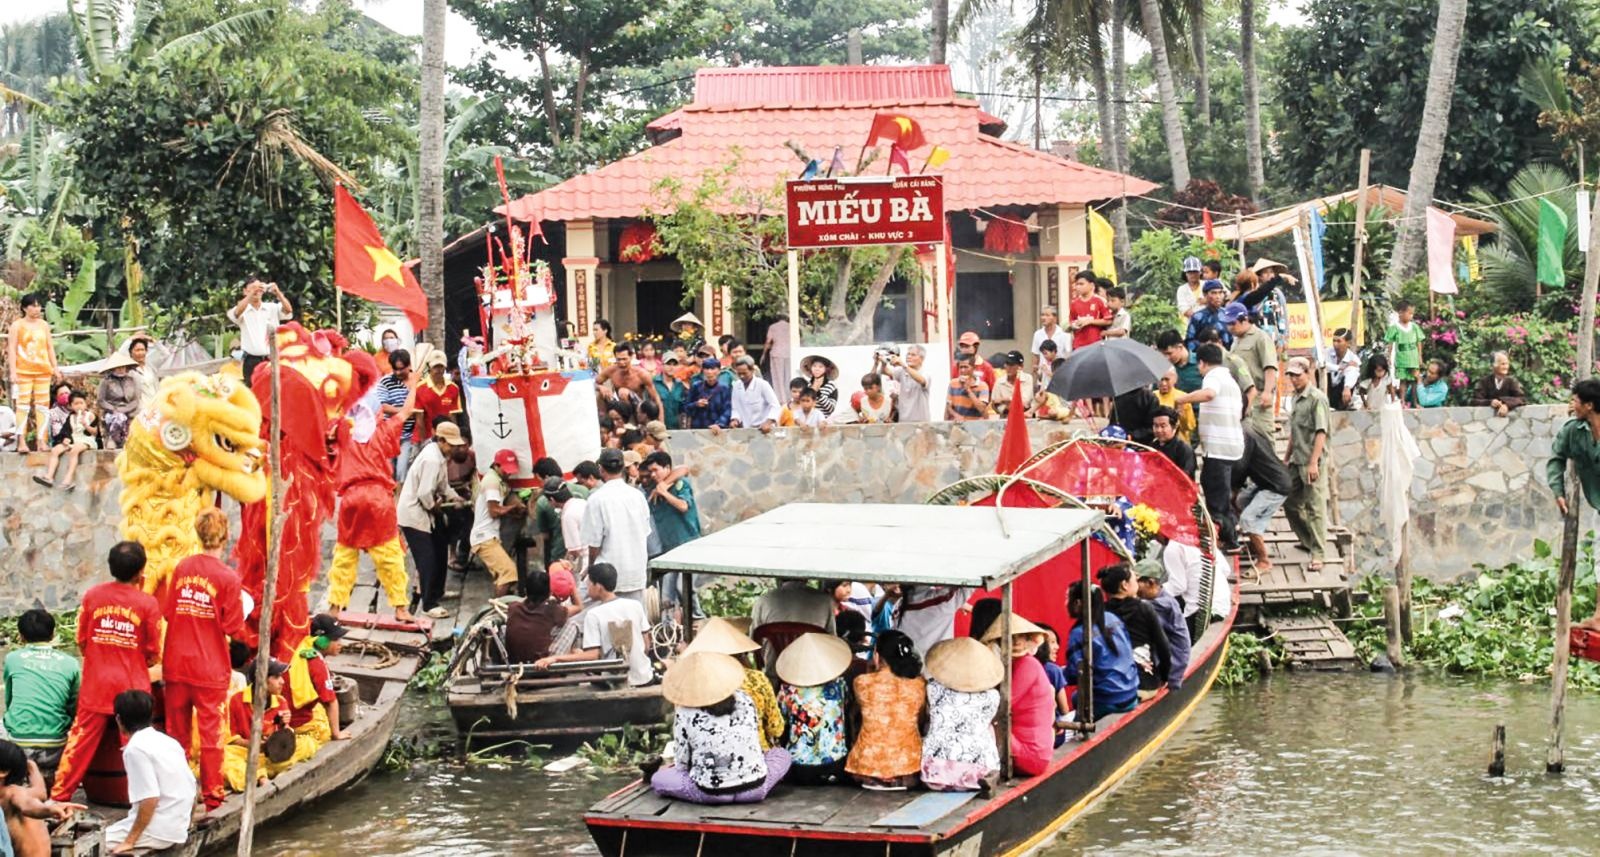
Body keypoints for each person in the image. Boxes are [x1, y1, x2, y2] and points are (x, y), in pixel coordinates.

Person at [50, 543, 162, 803]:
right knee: (138, 746)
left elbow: (82, 641)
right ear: (141, 572)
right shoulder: (147, 603)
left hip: (96, 685)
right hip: (132, 689)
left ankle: (58, 797)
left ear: (110, 567)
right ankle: (143, 800)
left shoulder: (92, 596)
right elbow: (152, 652)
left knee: (79, 744)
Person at [161, 507, 246, 811]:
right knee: (212, 737)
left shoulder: (183, 568)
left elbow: (169, 612)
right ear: (226, 536)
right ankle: (212, 797)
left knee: (177, 735)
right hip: (209, 668)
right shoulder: (228, 577)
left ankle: (179, 797)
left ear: (198, 533)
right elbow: (233, 626)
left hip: (176, 662)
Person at [326, 381, 419, 622]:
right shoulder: (382, 430)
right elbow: (407, 411)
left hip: (351, 498)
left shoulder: (342, 434)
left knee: (345, 555)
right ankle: (400, 607)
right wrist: (415, 381)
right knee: (390, 555)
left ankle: (335, 606)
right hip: (379, 499)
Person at [649, 652, 791, 804]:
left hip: (709, 792)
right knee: (783, 754)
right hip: (755, 789)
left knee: (657, 779)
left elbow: (682, 763)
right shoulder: (744, 699)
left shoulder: (685, 711)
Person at [104, 690, 195, 855]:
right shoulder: (169, 741)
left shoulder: (135, 749)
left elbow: (150, 798)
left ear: (119, 720)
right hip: (178, 825)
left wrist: (129, 841)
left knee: (94, 841)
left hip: (160, 830)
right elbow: (192, 784)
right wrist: (187, 822)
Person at [534, 563, 653, 686]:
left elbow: (592, 655)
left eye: (589, 583)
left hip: (616, 681)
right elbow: (646, 645)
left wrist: (556, 658)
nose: (587, 587)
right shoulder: (635, 605)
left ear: (599, 587)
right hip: (644, 676)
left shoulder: (594, 614)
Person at [397, 420, 470, 618]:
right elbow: (424, 493)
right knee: (427, 558)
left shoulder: (441, 457)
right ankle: (429, 603)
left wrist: (456, 497)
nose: (455, 449)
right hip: (415, 514)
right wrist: (436, 509)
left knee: (440, 550)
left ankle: (438, 593)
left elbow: (443, 485)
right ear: (441, 441)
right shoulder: (431, 459)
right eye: (452, 445)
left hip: (427, 512)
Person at [1176, 343, 1245, 550]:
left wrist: (1183, 399)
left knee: (1215, 498)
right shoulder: (1230, 380)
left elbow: (1209, 394)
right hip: (1233, 447)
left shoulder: (1213, 377)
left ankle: (1227, 540)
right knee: (1222, 495)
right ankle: (1230, 535)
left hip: (1218, 448)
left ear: (1203, 363)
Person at [2, 610, 79, 787]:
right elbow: (74, 706)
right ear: (53, 634)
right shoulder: (71, 663)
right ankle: (50, 777)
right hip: (56, 745)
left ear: (20, 637)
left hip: (19, 746)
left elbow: (10, 701)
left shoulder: (13, 659)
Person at [683, 618, 785, 750]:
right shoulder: (757, 680)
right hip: (757, 757)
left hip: (709, 760)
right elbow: (776, 729)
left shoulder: (694, 685)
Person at [844, 630, 925, 789]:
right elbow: (921, 721)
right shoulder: (919, 684)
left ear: (876, 655)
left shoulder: (862, 683)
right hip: (909, 770)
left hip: (867, 771)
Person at [920, 637, 1002, 792]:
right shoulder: (992, 696)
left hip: (934, 773)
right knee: (988, 728)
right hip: (978, 773)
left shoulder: (934, 689)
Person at [979, 613, 1053, 776]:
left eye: (1021, 637)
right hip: (1023, 746)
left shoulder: (1028, 664)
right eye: (1011, 637)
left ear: (1029, 640)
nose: (1017, 642)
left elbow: (1002, 705)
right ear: (1000, 641)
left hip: (1031, 754)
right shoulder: (1013, 665)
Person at [773, 633, 853, 785]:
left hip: (800, 767)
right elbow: (846, 706)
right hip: (835, 764)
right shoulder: (839, 685)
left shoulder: (788, 690)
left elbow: (780, 721)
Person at [1552, 379, 1600, 630]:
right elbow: (1557, 458)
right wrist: (1558, 490)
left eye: (1575, 401)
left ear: (1589, 405)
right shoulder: (1574, 430)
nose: (1571, 405)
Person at [581, 448, 653, 601]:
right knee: (634, 620)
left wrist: (590, 567)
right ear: (622, 468)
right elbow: (645, 533)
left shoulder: (596, 499)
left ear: (600, 469)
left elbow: (594, 544)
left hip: (607, 576)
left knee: (608, 620)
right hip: (636, 571)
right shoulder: (637, 496)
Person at [1284, 357, 1332, 572]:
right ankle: (1307, 540)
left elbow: (1321, 432)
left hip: (1312, 461)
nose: (1294, 379)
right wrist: (1286, 457)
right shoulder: (1295, 399)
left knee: (1315, 507)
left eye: (1297, 375)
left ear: (1307, 373)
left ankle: (1318, 553)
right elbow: (1295, 433)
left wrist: (1314, 462)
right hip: (1297, 460)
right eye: (1291, 375)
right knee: (1290, 501)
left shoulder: (1316, 399)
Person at [1064, 586, 1139, 720]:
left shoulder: (1079, 633)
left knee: (1076, 699)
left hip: (1110, 698)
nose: (1066, 603)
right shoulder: (1112, 618)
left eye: (1067, 598)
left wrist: (1056, 674)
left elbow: (1075, 674)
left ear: (1078, 603)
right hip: (1131, 689)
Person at [0, 738, 84, 857]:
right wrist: (32, 767)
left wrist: (49, 810)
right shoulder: (21, 791)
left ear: (3, 772)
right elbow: (41, 793)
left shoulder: (12, 793)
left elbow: (29, 806)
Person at [1097, 564, 1173, 693]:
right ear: (1124, 585)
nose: (1137, 580)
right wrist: (1165, 677)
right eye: (1134, 578)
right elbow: (1163, 648)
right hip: (1143, 683)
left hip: (1110, 684)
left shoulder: (1100, 612)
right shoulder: (1144, 609)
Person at [1233, 423, 1293, 575]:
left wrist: (1234, 486)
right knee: (1240, 501)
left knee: (1247, 519)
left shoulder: (1245, 434)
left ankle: (1263, 560)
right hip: (1265, 482)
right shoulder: (1249, 428)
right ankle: (1253, 541)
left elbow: (1240, 466)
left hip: (1276, 486)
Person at [287, 614, 351, 747]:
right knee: (324, 731)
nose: (340, 643)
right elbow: (331, 702)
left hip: (289, 710)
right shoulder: (316, 663)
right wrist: (336, 733)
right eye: (335, 639)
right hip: (298, 720)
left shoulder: (303, 646)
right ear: (321, 641)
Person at [469, 449, 526, 598]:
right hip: (484, 537)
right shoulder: (492, 482)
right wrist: (513, 508)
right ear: (496, 465)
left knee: (502, 576)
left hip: (490, 535)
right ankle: (497, 607)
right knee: (508, 572)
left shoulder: (499, 481)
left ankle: (501, 603)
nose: (508, 474)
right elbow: (494, 511)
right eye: (506, 470)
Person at [9, 294, 56, 455]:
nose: (37, 309)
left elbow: (50, 347)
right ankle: (21, 441)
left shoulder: (44, 325)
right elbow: (12, 350)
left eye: (38, 305)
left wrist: (55, 367)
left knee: (43, 406)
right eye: (33, 306)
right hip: (23, 371)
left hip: (43, 370)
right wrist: (13, 372)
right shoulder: (17, 326)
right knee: (22, 406)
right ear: (24, 308)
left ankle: (41, 440)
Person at [1224, 301, 1279, 438]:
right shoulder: (1235, 341)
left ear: (1244, 319)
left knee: (1263, 437)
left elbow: (1270, 366)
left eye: (1233, 323)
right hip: (1241, 397)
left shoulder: (1260, 337)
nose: (1230, 327)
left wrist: (1267, 392)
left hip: (1259, 396)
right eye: (1228, 324)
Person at [751, 580, 836, 664]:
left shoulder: (763, 601)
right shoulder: (826, 601)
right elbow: (831, 642)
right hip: (812, 673)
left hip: (773, 673)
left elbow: (752, 643)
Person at [226, 276, 293, 383]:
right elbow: (236, 313)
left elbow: (288, 310)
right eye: (252, 288)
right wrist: (251, 294)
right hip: (251, 361)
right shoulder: (242, 309)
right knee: (254, 392)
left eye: (258, 288)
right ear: (245, 291)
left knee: (274, 391)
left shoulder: (272, 307)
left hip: (272, 358)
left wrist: (278, 293)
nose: (257, 291)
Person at [1135, 560, 1190, 689]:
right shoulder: (1160, 599)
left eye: (1137, 584)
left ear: (1151, 583)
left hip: (1172, 670)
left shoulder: (1162, 604)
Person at [33, 390, 94, 490]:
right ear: (71, 406)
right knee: (55, 450)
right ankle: (49, 477)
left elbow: (95, 432)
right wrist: (66, 438)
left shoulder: (90, 416)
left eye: (81, 403)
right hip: (74, 440)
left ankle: (68, 480)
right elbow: (66, 430)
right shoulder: (70, 417)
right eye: (76, 404)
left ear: (85, 404)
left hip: (86, 440)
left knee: (74, 451)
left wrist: (86, 425)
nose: (79, 406)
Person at [597, 342, 664, 418]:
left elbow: (656, 398)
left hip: (638, 409)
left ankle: (631, 422)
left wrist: (661, 422)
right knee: (601, 393)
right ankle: (604, 420)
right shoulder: (611, 370)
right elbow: (594, 382)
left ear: (631, 357)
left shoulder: (642, 374)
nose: (622, 363)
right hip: (618, 406)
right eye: (618, 359)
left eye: (624, 359)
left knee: (623, 392)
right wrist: (600, 387)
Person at [413, 350, 463, 451]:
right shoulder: (420, 388)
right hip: (425, 436)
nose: (438, 370)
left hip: (445, 438)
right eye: (435, 367)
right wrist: (424, 443)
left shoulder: (453, 388)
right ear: (429, 367)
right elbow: (419, 419)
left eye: (441, 367)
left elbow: (453, 417)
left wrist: (454, 438)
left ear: (445, 367)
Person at [97, 353, 141, 450]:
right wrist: (114, 409)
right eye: (118, 367)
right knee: (117, 419)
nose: (121, 369)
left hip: (130, 411)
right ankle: (112, 439)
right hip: (112, 413)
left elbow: (136, 400)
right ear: (113, 368)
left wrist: (125, 410)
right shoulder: (106, 382)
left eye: (123, 367)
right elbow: (101, 401)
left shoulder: (132, 380)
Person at [879, 345, 931, 423]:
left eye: (913, 355)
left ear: (921, 359)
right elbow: (885, 371)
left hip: (921, 420)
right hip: (904, 420)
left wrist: (904, 365)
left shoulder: (925, 373)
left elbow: (921, 380)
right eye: (908, 354)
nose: (909, 357)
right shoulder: (902, 371)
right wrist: (884, 362)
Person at [1385, 299, 1424, 401]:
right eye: (1409, 313)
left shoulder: (1414, 327)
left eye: (1412, 314)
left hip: (1413, 356)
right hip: (1401, 357)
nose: (1411, 316)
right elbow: (1391, 343)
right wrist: (1389, 357)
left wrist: (1420, 356)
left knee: (1414, 379)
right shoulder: (1394, 328)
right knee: (1403, 380)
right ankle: (1402, 401)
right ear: (1400, 312)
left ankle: (1415, 401)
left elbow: (1419, 341)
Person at [729, 356, 780, 432]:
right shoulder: (736, 386)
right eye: (739, 374)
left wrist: (768, 422)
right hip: (746, 429)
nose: (742, 376)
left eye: (744, 373)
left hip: (764, 430)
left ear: (752, 370)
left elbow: (775, 406)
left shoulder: (763, 384)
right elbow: (735, 408)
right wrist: (735, 420)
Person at [1468, 351, 1527, 416]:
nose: (1506, 367)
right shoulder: (1484, 381)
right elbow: (1474, 401)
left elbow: (1522, 399)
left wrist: (1507, 405)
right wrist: (1490, 402)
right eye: (1503, 364)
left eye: (1507, 364)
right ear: (1494, 365)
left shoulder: (1511, 381)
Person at [1067, 270, 1111, 351]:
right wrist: (1074, 324)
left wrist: (1090, 321)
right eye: (1076, 284)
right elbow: (1071, 321)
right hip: (1078, 345)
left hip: (1096, 344)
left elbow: (1108, 320)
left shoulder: (1100, 301)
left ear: (1091, 285)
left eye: (1081, 284)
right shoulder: (1074, 303)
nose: (1078, 287)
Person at [1185, 280, 1232, 352]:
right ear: (1205, 295)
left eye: (1220, 293)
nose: (1218, 296)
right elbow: (1189, 342)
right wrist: (1208, 346)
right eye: (1213, 293)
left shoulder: (1228, 314)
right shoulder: (1198, 317)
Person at [684, 358, 731, 429]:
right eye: (707, 369)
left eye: (713, 369)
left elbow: (728, 410)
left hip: (718, 429)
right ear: (703, 371)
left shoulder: (724, 388)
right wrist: (696, 404)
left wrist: (719, 424)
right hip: (698, 429)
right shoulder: (696, 386)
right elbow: (686, 407)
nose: (709, 372)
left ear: (719, 371)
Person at [1150, 406, 1195, 478]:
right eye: (1156, 426)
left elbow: (1185, 476)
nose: (1158, 430)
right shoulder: (1152, 446)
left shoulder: (1183, 449)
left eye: (1163, 426)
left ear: (1174, 427)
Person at [945, 353, 991, 421]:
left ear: (974, 368)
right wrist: (956, 415)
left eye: (966, 367)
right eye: (961, 367)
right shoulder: (953, 383)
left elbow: (982, 408)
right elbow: (948, 406)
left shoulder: (982, 386)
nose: (963, 370)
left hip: (974, 425)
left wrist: (968, 390)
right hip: (957, 424)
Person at [1153, 368, 1196, 441]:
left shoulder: (1183, 397)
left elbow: (1190, 427)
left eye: (1167, 379)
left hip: (1179, 443)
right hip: (1156, 442)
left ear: (1175, 379)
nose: (1164, 383)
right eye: (1161, 379)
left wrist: (1182, 415)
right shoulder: (1151, 396)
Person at [1325, 328, 1361, 410]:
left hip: (1342, 392)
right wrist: (1339, 368)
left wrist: (1347, 387)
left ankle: (1343, 405)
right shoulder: (1328, 352)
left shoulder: (1353, 359)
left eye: (1338, 341)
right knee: (1320, 370)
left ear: (1348, 343)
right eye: (1334, 341)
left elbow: (1352, 373)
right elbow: (1320, 364)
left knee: (1351, 371)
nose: (1335, 344)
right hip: (1328, 389)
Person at [990, 351, 1034, 416]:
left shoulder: (1027, 378)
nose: (1008, 367)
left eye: (1012, 365)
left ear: (1021, 366)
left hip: (1024, 417)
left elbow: (1025, 403)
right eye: (1007, 364)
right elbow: (995, 404)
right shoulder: (999, 382)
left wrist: (1004, 399)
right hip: (1005, 417)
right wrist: (1008, 407)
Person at [653, 357, 688, 429]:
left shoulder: (680, 385)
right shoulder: (653, 383)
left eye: (674, 365)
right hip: (657, 429)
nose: (671, 367)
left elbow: (682, 410)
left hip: (676, 429)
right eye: (668, 364)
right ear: (662, 366)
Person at [762, 315, 792, 389]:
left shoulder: (773, 327)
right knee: (788, 375)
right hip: (789, 352)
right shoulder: (791, 326)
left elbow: (768, 341)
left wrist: (763, 354)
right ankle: (789, 397)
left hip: (777, 352)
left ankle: (781, 398)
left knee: (778, 377)